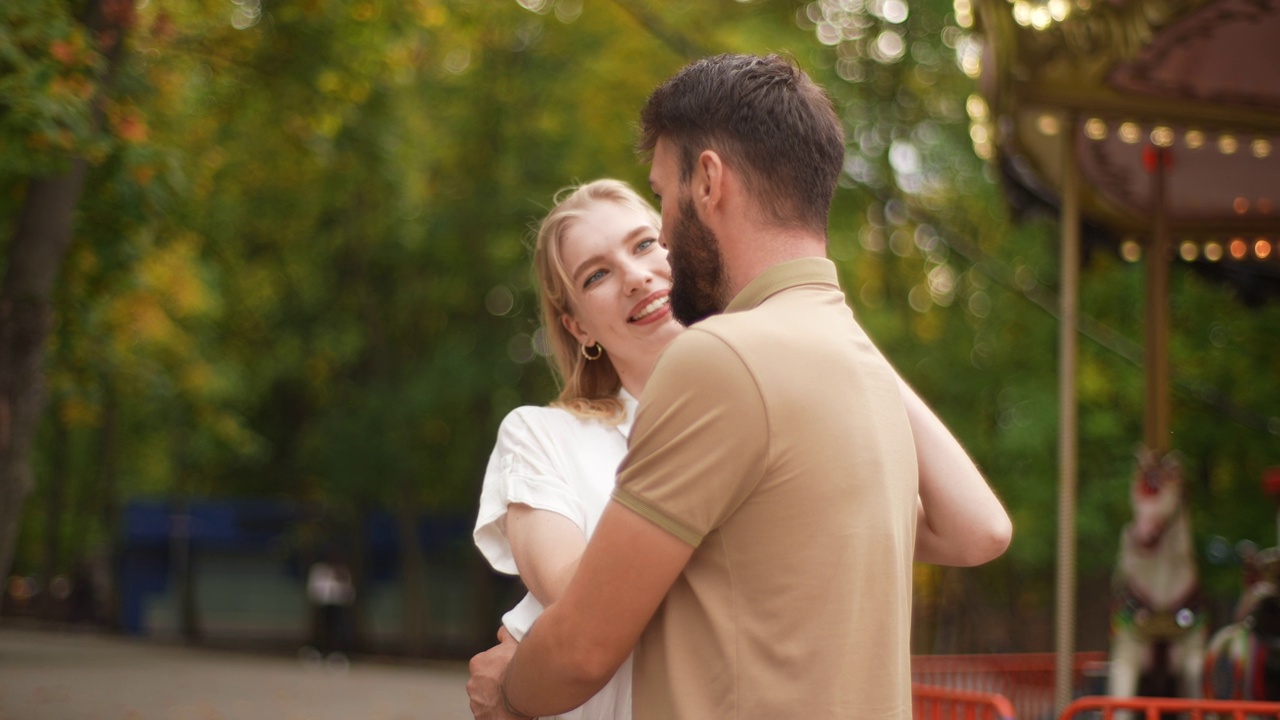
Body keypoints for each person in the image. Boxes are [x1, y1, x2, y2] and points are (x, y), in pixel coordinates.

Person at [471, 55, 1012, 716]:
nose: (655, 258)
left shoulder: (729, 364)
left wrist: (510, 683)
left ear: (708, 183)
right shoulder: (554, 433)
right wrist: (817, 312)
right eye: (596, 274)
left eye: (655, 220)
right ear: (574, 323)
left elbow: (585, 640)